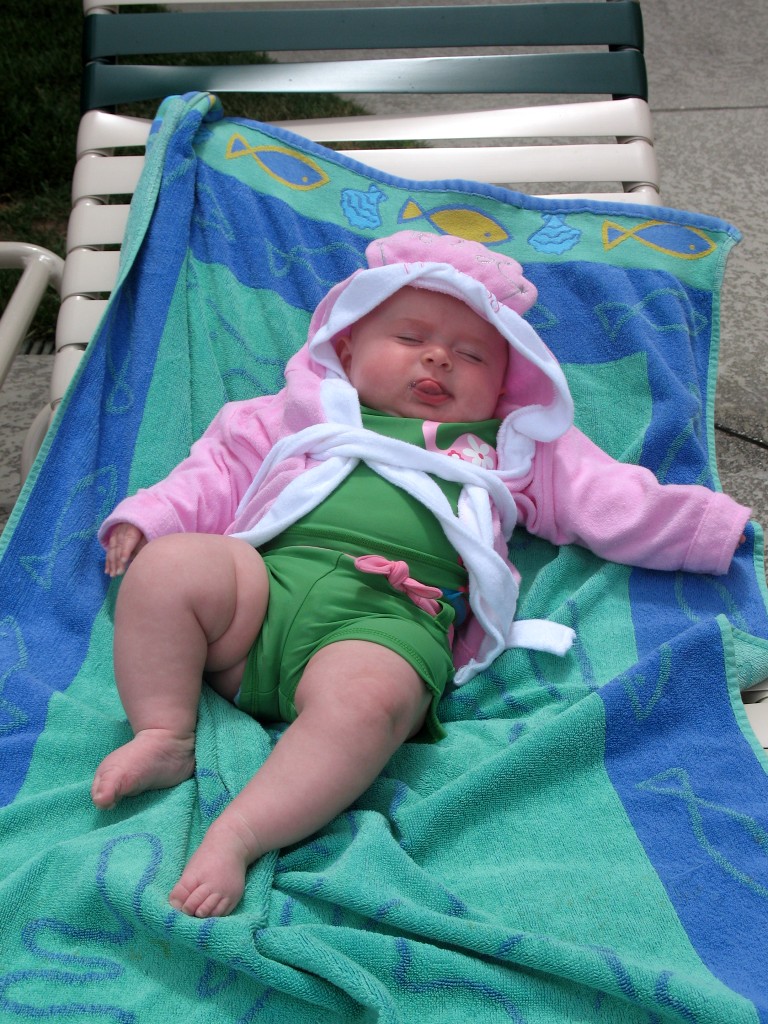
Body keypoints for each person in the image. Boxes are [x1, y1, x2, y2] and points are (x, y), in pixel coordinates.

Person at [92, 230, 750, 919]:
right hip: (260, 592)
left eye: (472, 355)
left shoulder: (510, 448)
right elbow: (215, 470)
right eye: (410, 337)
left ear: (505, 384)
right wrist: (152, 517)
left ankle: (242, 833)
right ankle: (165, 733)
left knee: (368, 704)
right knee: (169, 568)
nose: (439, 357)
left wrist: (708, 529)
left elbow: (610, 497)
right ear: (348, 347)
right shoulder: (299, 411)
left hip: (390, 618)